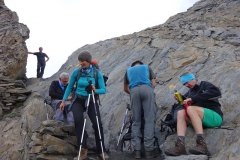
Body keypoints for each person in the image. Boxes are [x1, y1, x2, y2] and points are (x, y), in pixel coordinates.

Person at [59, 51, 109, 160]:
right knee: (78, 121)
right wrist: (63, 101)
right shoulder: (76, 72)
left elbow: (103, 90)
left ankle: (101, 150)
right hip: (78, 100)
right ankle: (83, 151)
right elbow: (69, 87)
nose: (81, 64)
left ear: (88, 61)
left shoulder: (96, 73)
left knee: (97, 124)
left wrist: (95, 90)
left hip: (91, 99)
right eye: (80, 62)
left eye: (83, 62)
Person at [165, 72, 223, 156]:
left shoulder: (205, 85)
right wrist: (181, 99)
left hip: (215, 118)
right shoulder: (190, 92)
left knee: (191, 109)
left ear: (193, 79)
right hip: (201, 120)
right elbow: (187, 102)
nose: (186, 85)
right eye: (184, 84)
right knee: (181, 112)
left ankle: (202, 144)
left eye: (187, 82)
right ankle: (180, 145)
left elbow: (216, 92)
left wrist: (193, 99)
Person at [123, 60, 157, 159]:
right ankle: (149, 151)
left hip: (133, 91)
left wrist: (134, 94)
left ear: (132, 66)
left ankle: (137, 151)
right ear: (141, 65)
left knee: (136, 121)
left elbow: (125, 88)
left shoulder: (128, 70)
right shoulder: (147, 67)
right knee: (149, 120)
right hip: (147, 89)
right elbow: (153, 84)